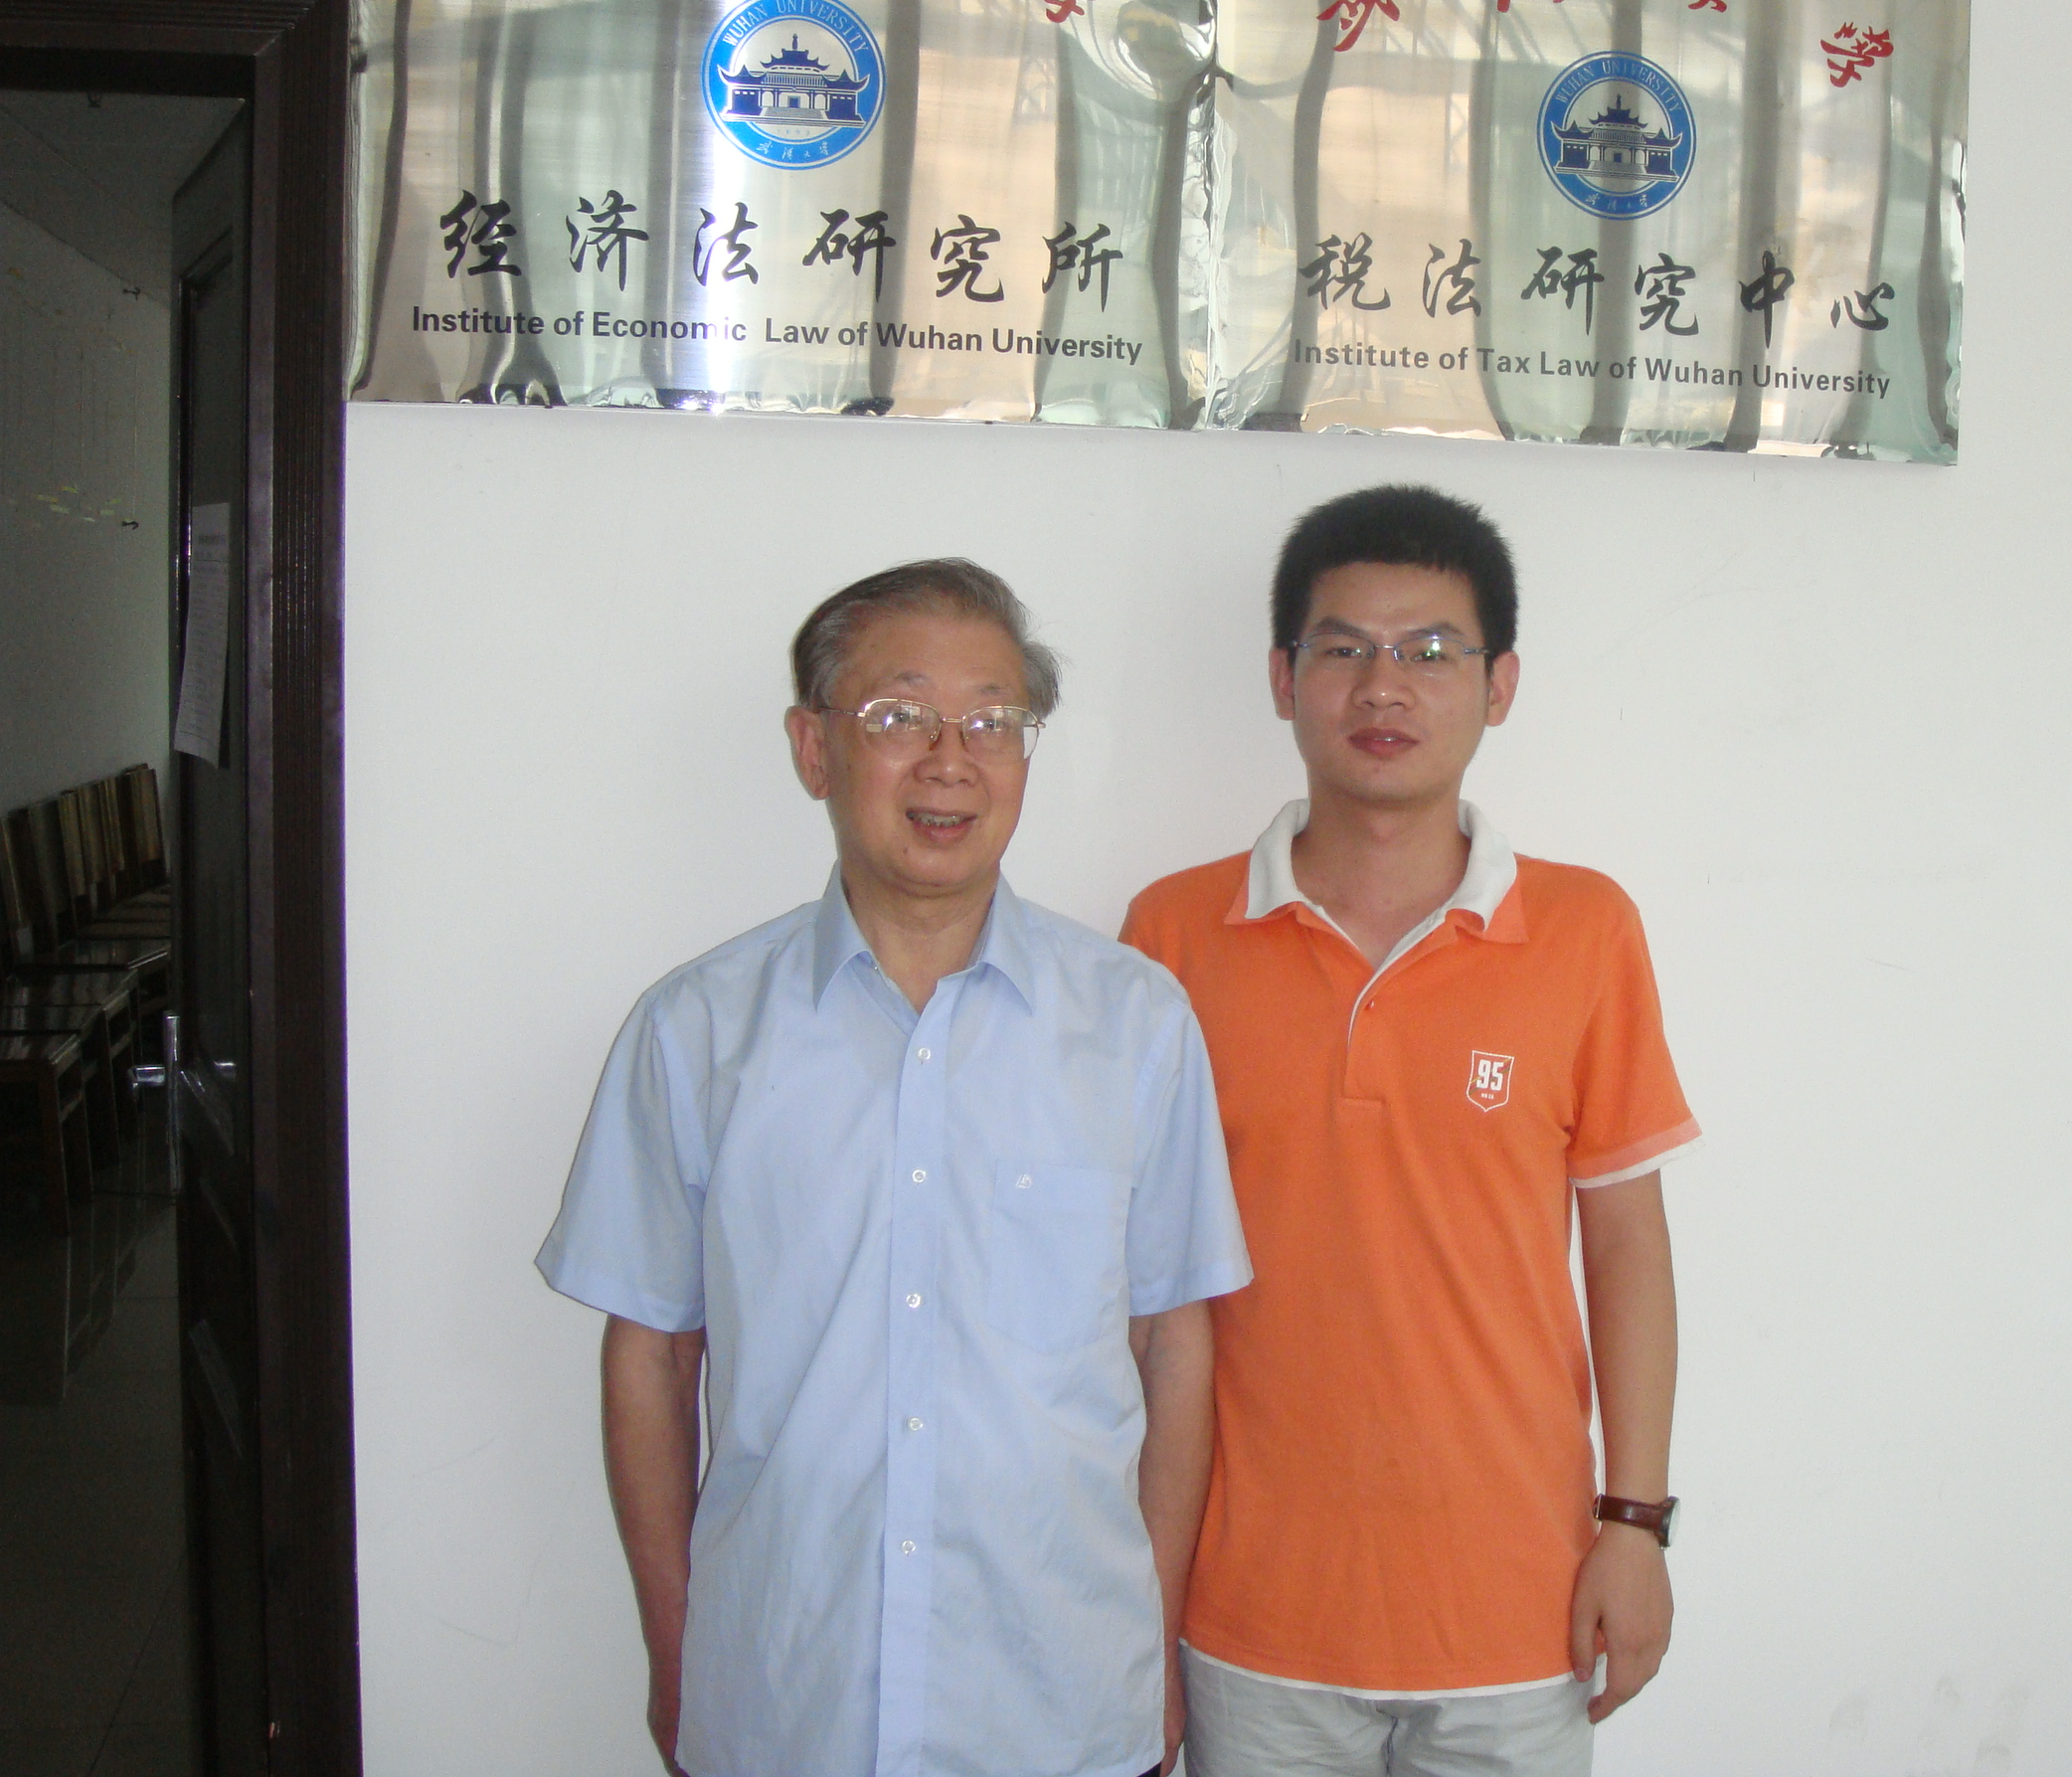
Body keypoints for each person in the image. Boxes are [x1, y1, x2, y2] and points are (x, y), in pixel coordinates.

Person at [538, 559, 1249, 1777]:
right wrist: (675, 1644)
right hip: (786, 1699)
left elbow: (1174, 1342)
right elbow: (649, 1354)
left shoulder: (1136, 1024)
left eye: (992, 720)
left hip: (1065, 1703)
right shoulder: (697, 1031)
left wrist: (1155, 1637)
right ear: (813, 749)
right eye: (898, 715)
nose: (949, 759)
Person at [1122, 486, 1695, 1777]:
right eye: (1344, 648)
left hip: (1518, 1609)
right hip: (1250, 1616)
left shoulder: (1585, 931)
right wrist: (1143, 1592)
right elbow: (1146, 1301)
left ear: (1500, 686)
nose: (1385, 686)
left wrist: (1637, 1523)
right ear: (1284, 679)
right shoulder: (1170, 937)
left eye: (1432, 650)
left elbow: (1627, 1248)